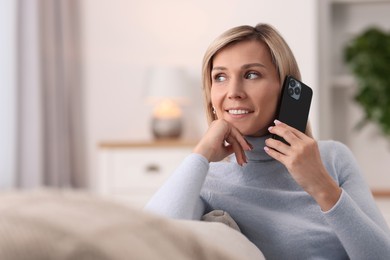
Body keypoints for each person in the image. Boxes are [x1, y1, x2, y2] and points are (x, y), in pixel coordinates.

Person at [145, 23, 390, 259]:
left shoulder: (334, 158)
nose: (233, 92)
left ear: (286, 88)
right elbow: (146, 244)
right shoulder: (204, 176)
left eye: (251, 74)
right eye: (220, 77)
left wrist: (322, 186)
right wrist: (202, 153)